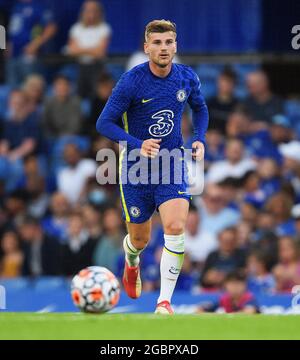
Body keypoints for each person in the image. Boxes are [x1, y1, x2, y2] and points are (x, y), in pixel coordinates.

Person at [96, 20, 209, 314]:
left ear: (175, 45)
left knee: (174, 226)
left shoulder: (186, 77)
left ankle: (164, 302)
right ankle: (131, 258)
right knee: (140, 239)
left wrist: (198, 138)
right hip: (135, 169)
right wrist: (137, 143)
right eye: (157, 43)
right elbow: (103, 122)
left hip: (172, 165)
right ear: (146, 48)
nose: (163, 48)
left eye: (169, 42)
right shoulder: (131, 81)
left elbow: (200, 107)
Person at [6, 0, 57, 87]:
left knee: (30, 88)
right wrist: (9, 44)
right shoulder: (16, 6)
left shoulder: (39, 6)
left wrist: (35, 45)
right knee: (12, 90)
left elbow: (51, 27)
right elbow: (15, 28)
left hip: (29, 55)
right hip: (13, 55)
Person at [67, 0, 112, 98]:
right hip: (79, 66)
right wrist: (92, 50)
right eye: (88, 10)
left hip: (97, 67)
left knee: (97, 97)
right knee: (77, 95)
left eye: (93, 11)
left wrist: (81, 50)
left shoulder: (104, 28)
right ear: (83, 12)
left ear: (99, 13)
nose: (91, 14)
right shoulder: (76, 28)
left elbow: (100, 52)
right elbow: (71, 51)